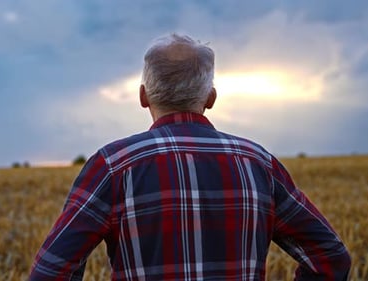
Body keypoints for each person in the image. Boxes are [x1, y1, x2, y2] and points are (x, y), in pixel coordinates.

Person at [29, 34, 351, 281]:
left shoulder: (113, 167)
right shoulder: (259, 165)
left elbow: (50, 271)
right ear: (210, 98)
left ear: (143, 96)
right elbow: (331, 256)